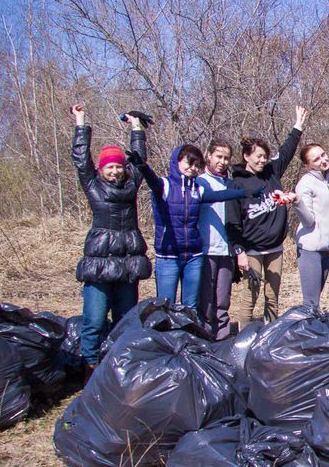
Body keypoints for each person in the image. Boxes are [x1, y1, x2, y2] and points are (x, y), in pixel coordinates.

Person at [69, 105, 151, 378]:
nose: (115, 171)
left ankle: (119, 368)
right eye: (110, 167)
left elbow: (139, 159)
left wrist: (136, 127)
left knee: (125, 321)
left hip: (127, 261)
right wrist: (81, 123)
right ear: (102, 170)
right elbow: (81, 160)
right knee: (93, 320)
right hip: (100, 261)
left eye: (118, 166)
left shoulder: (130, 185)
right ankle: (90, 367)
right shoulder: (93, 186)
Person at [129, 142, 251, 309]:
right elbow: (152, 181)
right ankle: (166, 335)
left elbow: (220, 195)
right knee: (165, 305)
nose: (192, 168)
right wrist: (143, 167)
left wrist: (244, 193)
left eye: (196, 165)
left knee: (190, 306)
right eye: (189, 163)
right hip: (168, 255)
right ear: (177, 161)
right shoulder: (164, 185)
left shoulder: (197, 189)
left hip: (193, 255)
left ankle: (189, 334)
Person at [226, 106, 308, 324]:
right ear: (246, 156)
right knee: (249, 298)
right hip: (251, 250)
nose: (263, 161)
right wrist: (239, 252)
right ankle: (243, 343)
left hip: (275, 249)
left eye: (265, 157)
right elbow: (232, 221)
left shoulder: (272, 172)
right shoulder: (237, 183)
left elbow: (287, 150)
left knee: (272, 298)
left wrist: (297, 126)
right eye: (258, 157)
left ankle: (269, 339)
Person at [197, 139, 237, 339]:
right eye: (218, 157)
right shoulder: (199, 182)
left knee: (223, 298)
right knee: (206, 299)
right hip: (206, 249)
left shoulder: (231, 184)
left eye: (226, 158)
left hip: (226, 249)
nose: (222, 162)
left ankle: (223, 339)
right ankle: (204, 337)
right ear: (209, 156)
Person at [293, 143, 329, 308]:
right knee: (310, 303)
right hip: (310, 249)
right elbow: (308, 221)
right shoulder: (305, 183)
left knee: (315, 300)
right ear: (308, 165)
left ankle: (311, 330)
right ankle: (304, 331)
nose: (323, 160)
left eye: (323, 154)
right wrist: (297, 202)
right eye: (316, 159)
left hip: (325, 249)